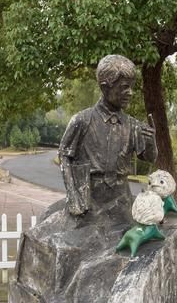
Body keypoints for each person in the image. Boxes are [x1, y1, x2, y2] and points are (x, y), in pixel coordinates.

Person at [59, 54, 157, 220]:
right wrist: (73, 196)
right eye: (124, 87)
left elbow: (150, 158)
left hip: (122, 199)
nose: (130, 93)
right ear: (105, 88)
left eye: (132, 87)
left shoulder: (132, 125)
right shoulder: (82, 120)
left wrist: (150, 143)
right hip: (90, 198)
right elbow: (64, 156)